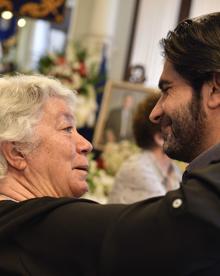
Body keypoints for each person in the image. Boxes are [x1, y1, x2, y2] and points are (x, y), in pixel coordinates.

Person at [1, 11, 220, 275]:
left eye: (167, 89)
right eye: (66, 128)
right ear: (16, 152)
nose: (87, 144)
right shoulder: (24, 227)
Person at [108, 92, 181, 203]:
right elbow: (169, 214)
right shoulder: (138, 168)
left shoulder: (173, 169)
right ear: (160, 138)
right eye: (178, 126)